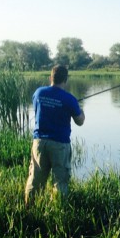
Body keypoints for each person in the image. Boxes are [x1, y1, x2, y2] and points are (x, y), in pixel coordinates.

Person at [25, 64, 85, 205]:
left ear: (50, 77)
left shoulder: (39, 93)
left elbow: (38, 109)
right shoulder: (69, 99)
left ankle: (29, 209)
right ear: (65, 80)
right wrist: (80, 109)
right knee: (60, 180)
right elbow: (80, 121)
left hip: (39, 142)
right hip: (59, 144)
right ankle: (57, 211)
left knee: (35, 178)